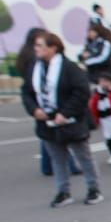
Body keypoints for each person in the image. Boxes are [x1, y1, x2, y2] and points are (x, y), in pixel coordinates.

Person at [23, 32, 103, 207]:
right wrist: (34, 109)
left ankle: (94, 188)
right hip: (46, 121)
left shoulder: (69, 68)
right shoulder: (34, 68)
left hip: (71, 121)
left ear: (53, 48)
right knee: (57, 158)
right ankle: (63, 191)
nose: (36, 49)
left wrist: (65, 113)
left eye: (40, 45)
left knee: (83, 156)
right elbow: (27, 91)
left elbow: (81, 92)